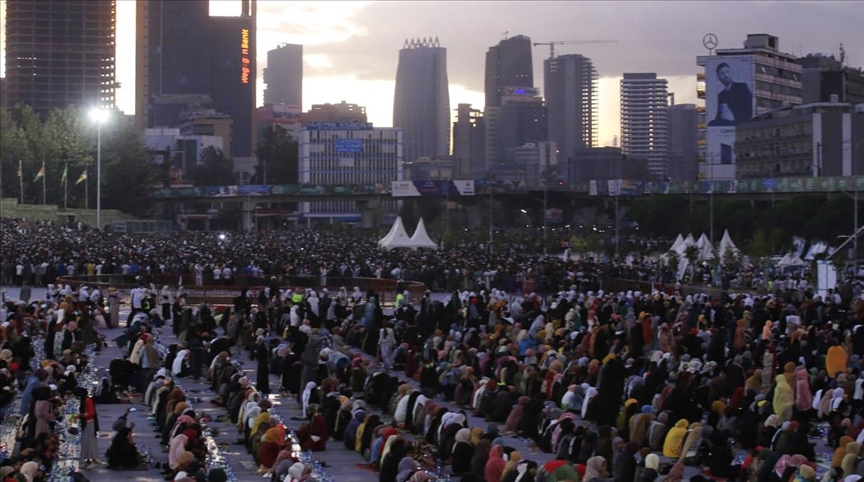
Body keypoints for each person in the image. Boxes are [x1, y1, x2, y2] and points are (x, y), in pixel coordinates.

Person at [708, 61, 753, 126]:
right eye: (722, 74)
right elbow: (719, 115)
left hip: (742, 123)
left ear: (731, 73)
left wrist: (733, 117)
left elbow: (751, 110)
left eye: (727, 72)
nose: (726, 75)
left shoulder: (742, 87)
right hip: (727, 125)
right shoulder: (721, 95)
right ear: (718, 77)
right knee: (711, 124)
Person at [76, 386, 101, 468]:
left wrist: (81, 415)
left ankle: (92, 460)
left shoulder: (87, 400)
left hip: (89, 423)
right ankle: (90, 460)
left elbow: (91, 413)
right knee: (88, 442)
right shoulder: (85, 400)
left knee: (90, 442)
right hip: (87, 423)